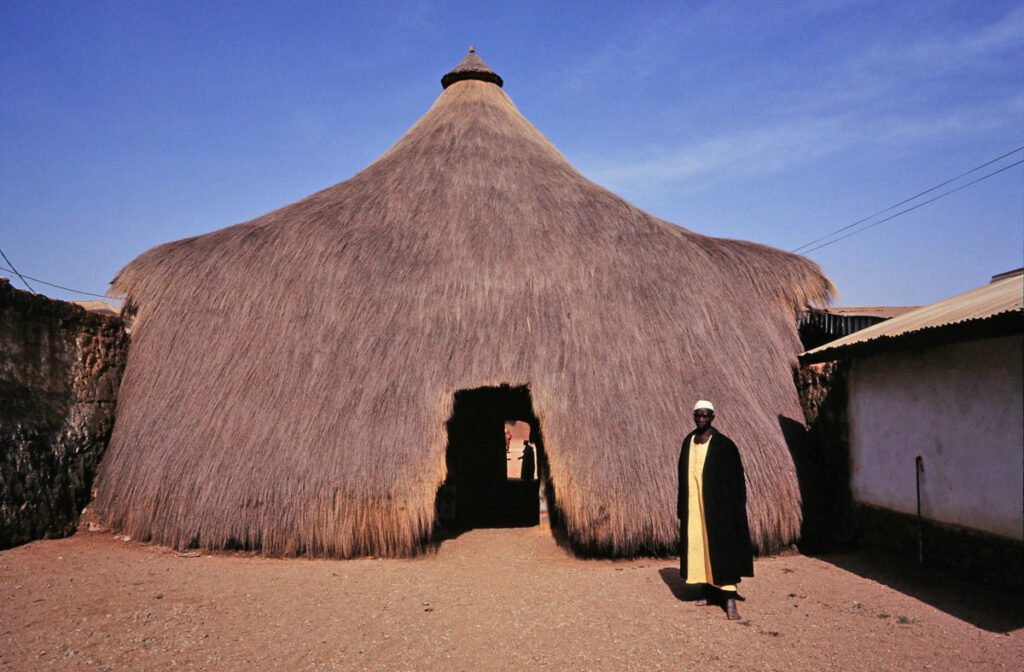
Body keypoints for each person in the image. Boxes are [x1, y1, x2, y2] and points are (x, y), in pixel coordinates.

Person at [678, 400, 753, 620]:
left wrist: (736, 509)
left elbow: (737, 480)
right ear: (693, 416)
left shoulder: (724, 445)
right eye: (698, 415)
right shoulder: (688, 442)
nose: (701, 419)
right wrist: (682, 507)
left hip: (720, 511)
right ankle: (709, 593)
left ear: (713, 417)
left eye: (706, 415)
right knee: (699, 548)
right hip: (695, 508)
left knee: (723, 551)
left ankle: (729, 599)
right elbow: (682, 478)